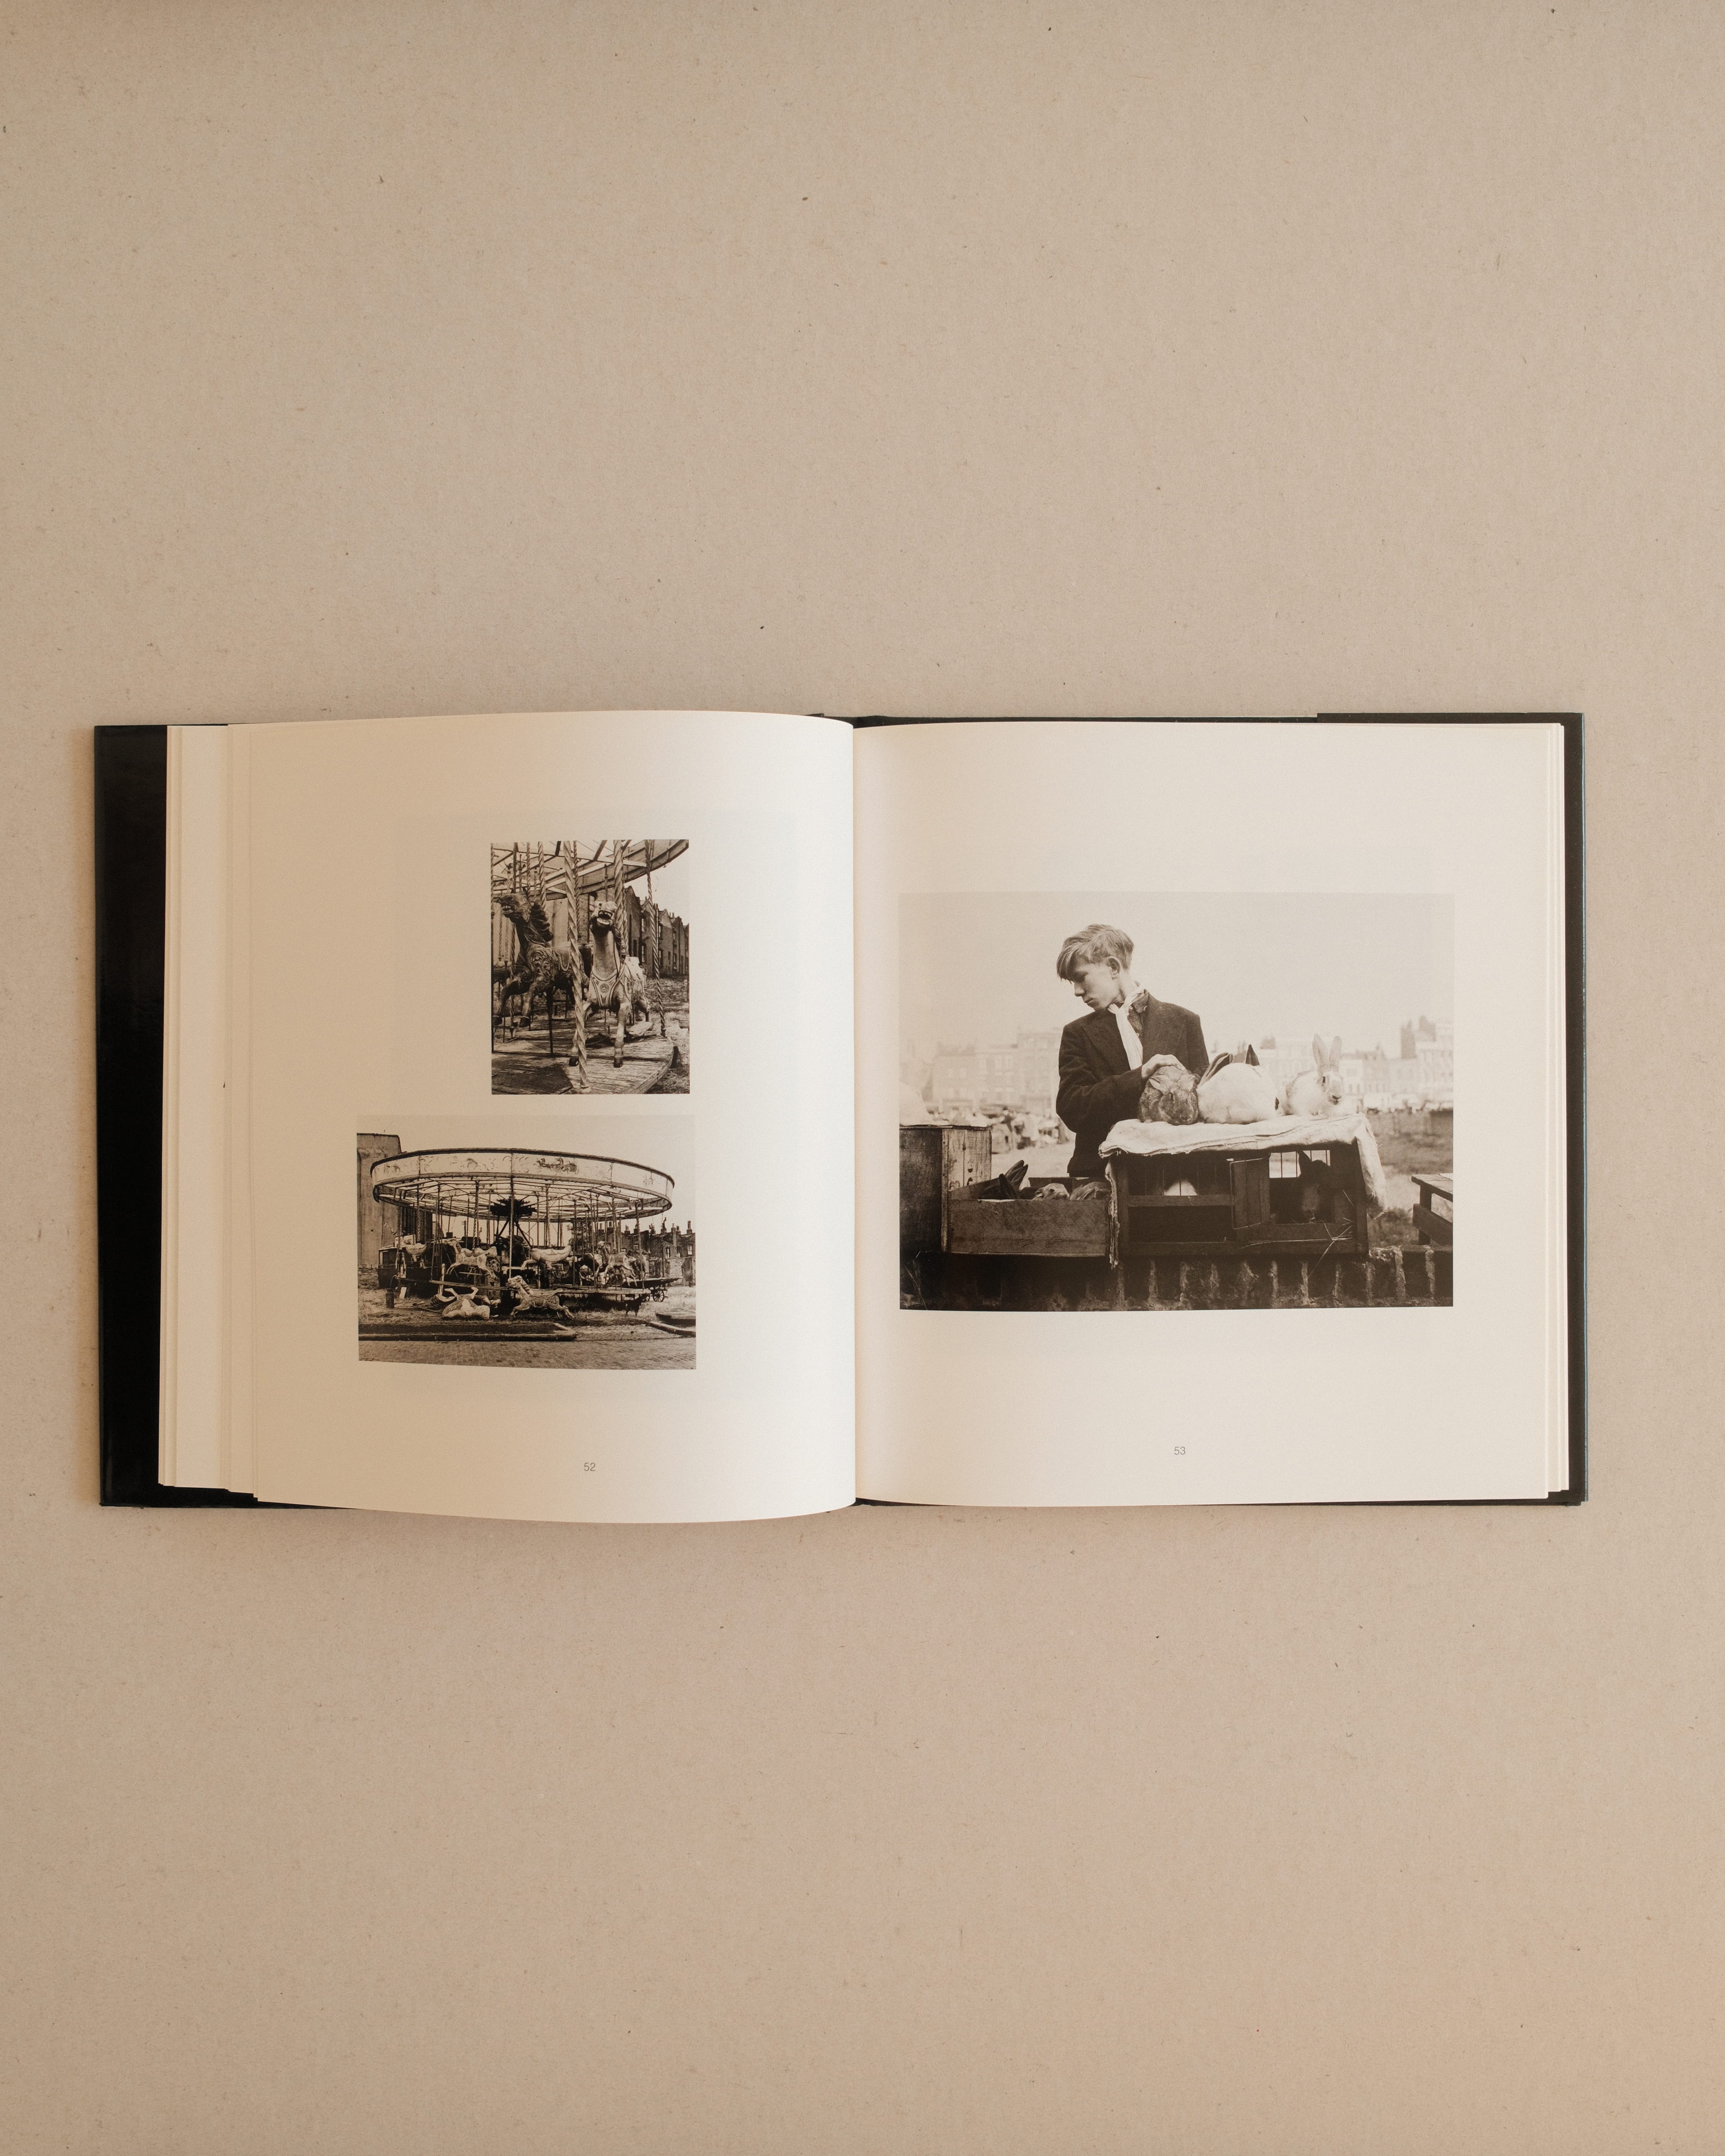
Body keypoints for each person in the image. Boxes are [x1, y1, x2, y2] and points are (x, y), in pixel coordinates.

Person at [1053, 923, 1207, 1190]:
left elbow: (1205, 1100)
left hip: (1178, 1175)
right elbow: (1073, 1109)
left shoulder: (1185, 1021)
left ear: (1113, 967)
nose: (1077, 991)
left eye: (1081, 978)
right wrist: (1140, 1077)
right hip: (1104, 1177)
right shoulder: (1077, 1033)